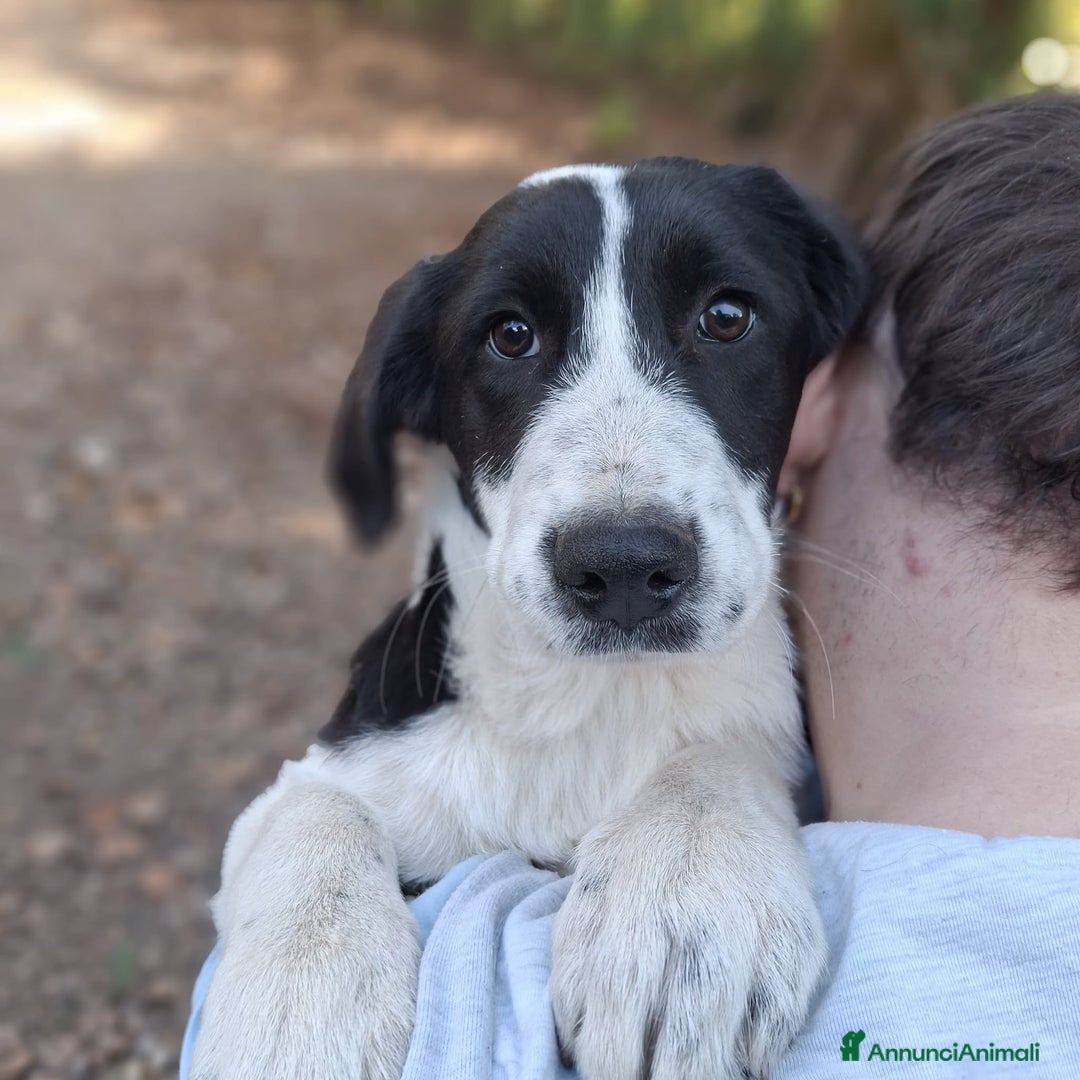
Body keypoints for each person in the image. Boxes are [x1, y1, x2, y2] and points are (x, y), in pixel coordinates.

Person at [181, 94, 1080, 1078]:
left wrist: (723, 794)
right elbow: (319, 797)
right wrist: (309, 885)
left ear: (826, 377)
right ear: (418, 401)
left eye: (726, 317)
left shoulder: (822, 728)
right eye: (512, 338)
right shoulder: (397, 746)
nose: (624, 498)